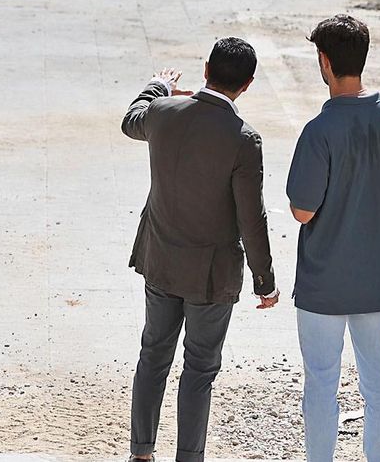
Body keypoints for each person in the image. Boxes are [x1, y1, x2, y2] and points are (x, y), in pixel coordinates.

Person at [121, 39, 277, 462]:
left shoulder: (162, 113)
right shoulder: (244, 139)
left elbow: (130, 118)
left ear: (205, 69)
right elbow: (252, 218)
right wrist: (265, 281)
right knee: (200, 371)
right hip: (211, 276)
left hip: (160, 260)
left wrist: (158, 85)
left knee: (153, 355)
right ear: (247, 84)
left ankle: (140, 452)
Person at [287, 15, 380, 462]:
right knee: (378, 378)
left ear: (324, 62)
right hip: (377, 279)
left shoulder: (319, 131)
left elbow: (302, 210)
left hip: (323, 284)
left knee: (322, 382)